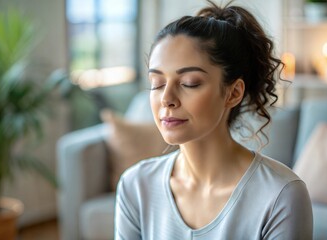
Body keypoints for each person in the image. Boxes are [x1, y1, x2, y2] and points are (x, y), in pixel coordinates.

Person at [115, 1, 313, 239]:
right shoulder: (135, 186)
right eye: (157, 84)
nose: (166, 98)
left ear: (233, 93)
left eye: (189, 83)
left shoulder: (280, 195)